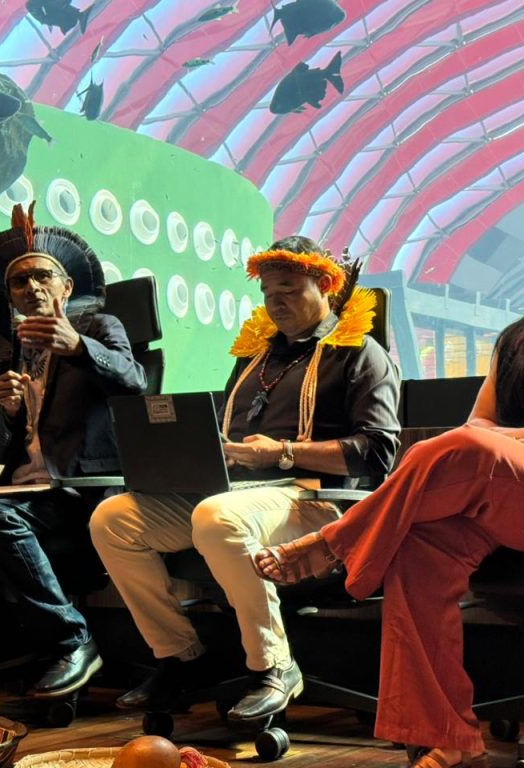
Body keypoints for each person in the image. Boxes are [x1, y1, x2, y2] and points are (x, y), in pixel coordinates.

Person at [253, 198, 524, 768]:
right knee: (418, 548)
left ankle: (334, 542)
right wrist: (509, 444)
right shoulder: (519, 337)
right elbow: (479, 426)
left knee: (468, 448)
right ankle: (448, 738)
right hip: (516, 494)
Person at [90, 236, 401, 720]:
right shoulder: (256, 356)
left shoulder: (361, 352)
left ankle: (274, 665)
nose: (275, 302)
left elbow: (378, 452)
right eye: (268, 292)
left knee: (218, 517)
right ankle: (181, 657)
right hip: (236, 492)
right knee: (113, 518)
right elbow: (229, 437)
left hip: (319, 502)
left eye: (288, 289)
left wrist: (282, 453)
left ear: (325, 285)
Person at [0, 203, 146, 700]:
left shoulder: (99, 327)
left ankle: (72, 640)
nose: (31, 288)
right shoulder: (18, 349)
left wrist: (78, 346)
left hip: (78, 491)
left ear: (67, 287)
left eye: (43, 276)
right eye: (19, 282)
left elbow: (135, 384)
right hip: (23, 489)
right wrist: (9, 411)